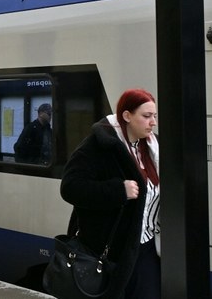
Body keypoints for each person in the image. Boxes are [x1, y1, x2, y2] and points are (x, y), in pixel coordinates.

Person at [60, 89, 160, 299]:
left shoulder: (153, 148)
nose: (153, 122)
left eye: (154, 116)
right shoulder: (98, 146)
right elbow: (70, 187)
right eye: (146, 116)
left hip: (146, 247)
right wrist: (117, 191)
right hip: (110, 251)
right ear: (127, 116)